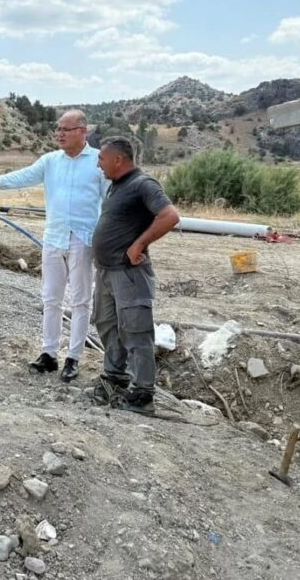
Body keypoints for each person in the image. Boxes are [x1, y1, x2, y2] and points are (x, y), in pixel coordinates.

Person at [0, 110, 107, 381]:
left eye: (66, 129)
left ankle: (74, 358)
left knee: (82, 301)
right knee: (51, 298)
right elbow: (25, 175)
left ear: (83, 131)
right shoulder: (50, 161)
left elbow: (110, 198)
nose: (59, 134)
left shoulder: (99, 162)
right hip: (54, 237)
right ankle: (49, 353)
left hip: (83, 239)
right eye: (57, 129)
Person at [90, 136, 180, 415]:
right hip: (107, 272)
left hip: (129, 274)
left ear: (118, 159)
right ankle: (115, 379)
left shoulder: (143, 184)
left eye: (102, 159)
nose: (98, 164)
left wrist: (139, 244)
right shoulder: (115, 187)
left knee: (136, 331)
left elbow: (169, 216)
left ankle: (142, 394)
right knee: (107, 324)